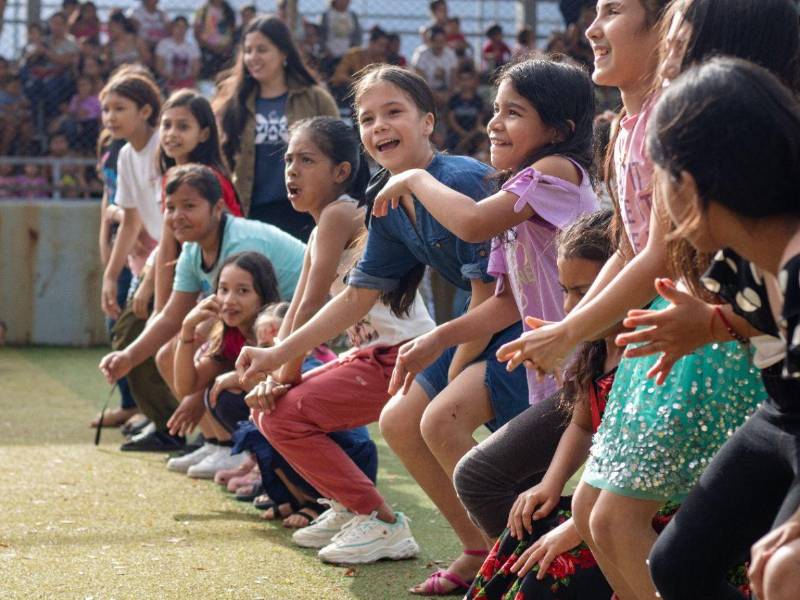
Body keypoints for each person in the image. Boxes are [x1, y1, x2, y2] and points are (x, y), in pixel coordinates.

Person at [496, 1, 767, 598]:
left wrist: (570, 332)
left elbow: (662, 256)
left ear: (667, 30)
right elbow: (629, 242)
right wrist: (575, 324)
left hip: (699, 338)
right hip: (662, 334)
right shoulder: (620, 126)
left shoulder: (677, 121)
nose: (591, 28)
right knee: (596, 515)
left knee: (618, 520)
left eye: (613, 11)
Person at [235, 65, 525, 592]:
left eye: (394, 112)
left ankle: (518, 557)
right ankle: (479, 547)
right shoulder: (385, 199)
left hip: (519, 325)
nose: (379, 126)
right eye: (367, 118)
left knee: (436, 419)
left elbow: (493, 294)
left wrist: (451, 371)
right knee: (398, 421)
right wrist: (277, 355)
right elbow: (356, 298)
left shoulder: (459, 180)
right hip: (470, 327)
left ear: (428, 123)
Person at [369, 57, 597, 593]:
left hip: (577, 363)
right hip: (535, 355)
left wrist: (414, 177)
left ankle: (536, 569)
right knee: (440, 423)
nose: (494, 123)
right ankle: (506, 557)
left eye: (513, 112)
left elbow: (470, 221)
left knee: (502, 479)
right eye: (496, 110)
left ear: (559, 131)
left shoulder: (558, 173)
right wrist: (437, 338)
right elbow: (504, 303)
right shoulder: (515, 188)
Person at [241, 115, 434, 549]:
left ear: (341, 172)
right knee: (270, 413)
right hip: (377, 355)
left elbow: (311, 306)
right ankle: (349, 508)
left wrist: (282, 377)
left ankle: (381, 521)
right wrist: (277, 376)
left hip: (406, 355)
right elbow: (297, 309)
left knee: (280, 415)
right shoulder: (320, 226)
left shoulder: (339, 213)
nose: (291, 170)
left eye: (306, 160)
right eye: (289, 159)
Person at [466, 210, 618, 599]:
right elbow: (583, 426)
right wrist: (549, 485)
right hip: (599, 502)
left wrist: (577, 527)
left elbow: (628, 459)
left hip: (638, 512)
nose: (569, 306)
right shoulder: (596, 349)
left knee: (544, 573)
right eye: (565, 289)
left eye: (584, 292)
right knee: (526, 529)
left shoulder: (644, 352)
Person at [98, 164, 305, 449]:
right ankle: (216, 442)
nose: (177, 216)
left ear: (218, 207)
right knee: (168, 353)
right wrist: (128, 357)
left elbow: (246, 322)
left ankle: (238, 447)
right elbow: (172, 315)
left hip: (300, 326)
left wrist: (198, 393)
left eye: (189, 206)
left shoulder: (240, 244)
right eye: (170, 208)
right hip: (263, 328)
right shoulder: (193, 249)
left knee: (194, 353)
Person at [214, 16, 339, 242]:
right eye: (248, 50)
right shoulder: (233, 103)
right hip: (252, 212)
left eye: (262, 49)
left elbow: (340, 150)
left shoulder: (315, 97)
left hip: (306, 213)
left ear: (283, 53)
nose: (253, 57)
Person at [166, 252, 280, 478]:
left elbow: (282, 380)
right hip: (270, 418)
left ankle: (264, 465)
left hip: (302, 418)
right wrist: (188, 328)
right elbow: (187, 386)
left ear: (263, 295)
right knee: (211, 389)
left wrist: (233, 378)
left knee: (226, 392)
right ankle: (246, 457)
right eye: (223, 289)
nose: (229, 300)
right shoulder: (231, 335)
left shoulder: (273, 325)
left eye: (243, 291)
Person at [152, 89, 241, 316]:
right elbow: (168, 245)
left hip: (225, 280)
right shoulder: (171, 176)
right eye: (166, 125)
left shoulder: (210, 179)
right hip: (195, 277)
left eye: (183, 127)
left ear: (203, 134)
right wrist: (159, 310)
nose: (172, 134)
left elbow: (233, 240)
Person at [155, 16, 201, 92]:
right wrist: (171, 77)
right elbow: (159, 67)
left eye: (184, 27)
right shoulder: (163, 44)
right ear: (172, 27)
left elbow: (196, 68)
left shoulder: (193, 45)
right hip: (168, 80)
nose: (180, 30)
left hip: (187, 81)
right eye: (178, 26)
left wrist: (185, 79)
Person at [193, 0, 236, 79]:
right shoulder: (203, 10)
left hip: (225, 51)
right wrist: (210, 46)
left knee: (224, 77)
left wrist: (227, 46)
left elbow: (233, 31)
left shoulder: (229, 10)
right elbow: (196, 32)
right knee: (207, 77)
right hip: (207, 51)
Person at [319, 0, 362, 77]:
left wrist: (352, 51)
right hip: (330, 55)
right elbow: (321, 35)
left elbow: (357, 35)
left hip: (347, 56)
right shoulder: (327, 15)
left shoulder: (352, 15)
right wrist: (325, 50)